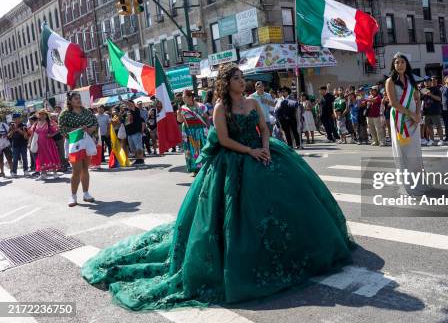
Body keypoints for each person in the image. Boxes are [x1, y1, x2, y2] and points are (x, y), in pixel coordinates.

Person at [81, 63, 354, 310]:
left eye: (242, 77)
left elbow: (265, 129)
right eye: (236, 78)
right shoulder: (220, 108)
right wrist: (250, 151)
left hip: (262, 153)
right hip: (233, 160)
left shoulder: (253, 103)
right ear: (226, 83)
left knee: (290, 203)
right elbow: (223, 139)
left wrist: (265, 148)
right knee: (233, 218)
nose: (241, 81)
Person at [385, 53, 426, 195]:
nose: (400, 65)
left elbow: (417, 97)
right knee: (403, 152)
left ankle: (418, 181)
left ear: (406, 64)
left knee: (414, 151)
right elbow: (393, 103)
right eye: (397, 62)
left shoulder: (410, 79)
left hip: (413, 118)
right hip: (399, 118)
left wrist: (418, 113)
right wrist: (412, 114)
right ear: (393, 65)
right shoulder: (390, 81)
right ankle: (407, 184)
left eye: (402, 62)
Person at [59, 92, 98, 207]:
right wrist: (78, 129)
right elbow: (62, 128)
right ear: (70, 101)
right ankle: (73, 196)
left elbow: (95, 123)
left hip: (86, 141)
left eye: (79, 98)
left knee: (85, 168)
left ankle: (86, 194)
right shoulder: (65, 113)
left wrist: (89, 130)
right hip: (74, 143)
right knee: (76, 170)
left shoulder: (87, 111)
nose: (78, 100)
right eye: (75, 98)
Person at [177, 89, 209, 175]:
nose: (183, 99)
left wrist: (208, 129)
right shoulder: (183, 108)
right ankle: (194, 169)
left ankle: (204, 167)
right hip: (189, 131)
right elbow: (179, 120)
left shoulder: (201, 106)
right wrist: (179, 113)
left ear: (190, 97)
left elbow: (206, 117)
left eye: (184, 97)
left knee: (202, 148)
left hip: (200, 131)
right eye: (183, 97)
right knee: (191, 150)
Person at [32, 110, 61, 179]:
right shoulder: (36, 123)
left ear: (46, 115)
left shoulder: (50, 122)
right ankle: (43, 174)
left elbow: (58, 129)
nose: (42, 115)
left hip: (49, 143)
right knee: (41, 158)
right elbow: (33, 133)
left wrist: (52, 135)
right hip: (40, 144)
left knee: (51, 156)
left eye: (43, 114)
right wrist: (31, 143)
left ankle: (55, 173)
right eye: (40, 114)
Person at [422, 78, 444, 146]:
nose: (426, 83)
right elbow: (420, 99)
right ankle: (431, 140)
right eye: (425, 81)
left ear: (431, 82)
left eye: (428, 81)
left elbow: (439, 99)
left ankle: (441, 140)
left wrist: (430, 94)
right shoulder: (423, 90)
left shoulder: (436, 89)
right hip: (426, 111)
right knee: (429, 127)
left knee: (438, 126)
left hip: (435, 111)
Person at [125, 100, 146, 165]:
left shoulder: (135, 109)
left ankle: (141, 159)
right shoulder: (127, 112)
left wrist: (122, 100)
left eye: (129, 104)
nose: (128, 105)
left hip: (136, 132)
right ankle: (137, 159)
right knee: (133, 148)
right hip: (129, 132)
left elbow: (131, 105)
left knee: (138, 147)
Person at [8, 113, 29, 177]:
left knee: (24, 158)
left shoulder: (24, 125)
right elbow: (8, 136)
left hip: (23, 144)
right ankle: (14, 172)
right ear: (13, 119)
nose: (16, 120)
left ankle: (26, 170)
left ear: (20, 118)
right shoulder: (11, 126)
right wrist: (12, 131)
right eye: (15, 119)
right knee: (15, 159)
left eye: (18, 118)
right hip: (15, 145)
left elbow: (26, 137)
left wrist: (19, 130)